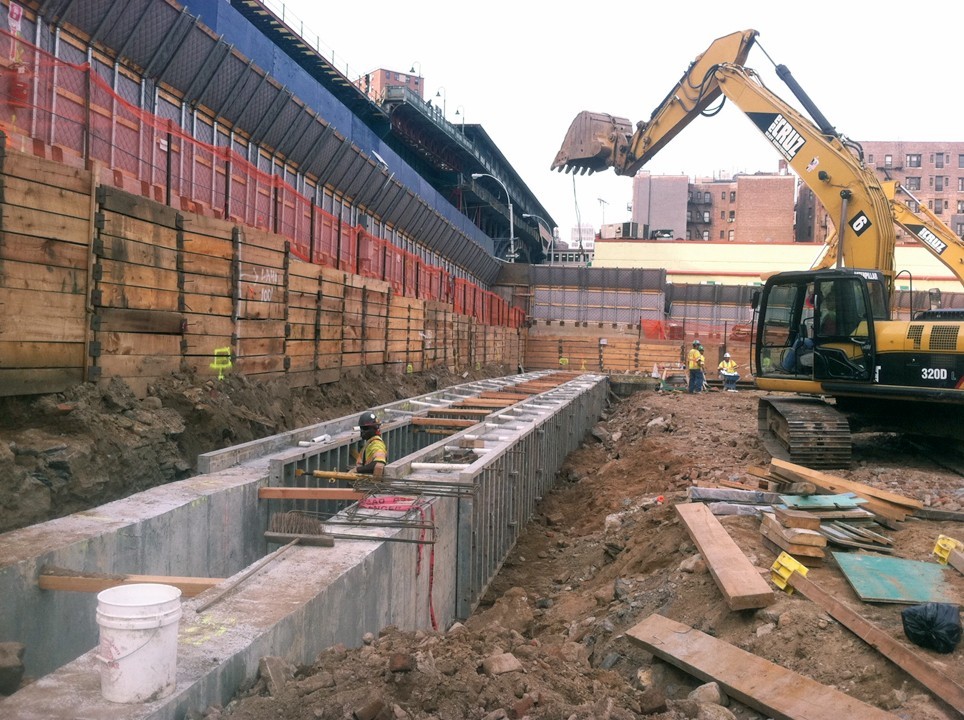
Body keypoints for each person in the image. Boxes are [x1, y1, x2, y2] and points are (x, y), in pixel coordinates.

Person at [353, 411, 387, 478]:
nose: (362, 431)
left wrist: (357, 470)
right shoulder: (370, 443)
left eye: (365, 428)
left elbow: (379, 465)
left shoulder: (376, 444)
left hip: (369, 485)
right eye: (361, 428)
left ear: (374, 429)